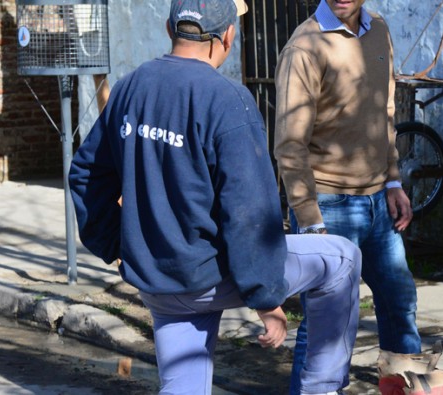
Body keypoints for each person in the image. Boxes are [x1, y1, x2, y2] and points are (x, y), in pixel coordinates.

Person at [68, 1, 361, 393]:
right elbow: (250, 213)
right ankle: (320, 390)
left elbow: (85, 175)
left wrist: (118, 246)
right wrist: (266, 299)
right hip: (211, 276)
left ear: (170, 29)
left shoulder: (130, 87)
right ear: (227, 36)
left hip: (159, 282)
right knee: (342, 259)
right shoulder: (227, 100)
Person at [273, 0, 422, 392]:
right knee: (327, 327)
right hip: (328, 206)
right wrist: (309, 220)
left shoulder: (379, 30)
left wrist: (392, 182)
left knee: (400, 305)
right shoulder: (304, 47)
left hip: (378, 202)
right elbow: (290, 145)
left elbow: (384, 112)